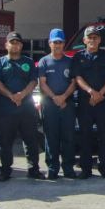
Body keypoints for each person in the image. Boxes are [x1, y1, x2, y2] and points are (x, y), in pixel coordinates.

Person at [0, 32, 38, 182]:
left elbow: (33, 81)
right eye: (12, 42)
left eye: (18, 42)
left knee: (31, 140)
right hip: (6, 109)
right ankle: (5, 171)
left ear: (21, 45)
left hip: (26, 108)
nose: (15, 45)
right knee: (5, 142)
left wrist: (22, 95)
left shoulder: (28, 62)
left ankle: (34, 170)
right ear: (6, 45)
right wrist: (11, 96)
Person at [73, 26, 105, 179]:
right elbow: (78, 77)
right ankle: (86, 169)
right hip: (85, 101)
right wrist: (91, 92)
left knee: (104, 135)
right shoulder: (78, 57)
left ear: (99, 40)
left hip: (103, 102)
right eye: (90, 37)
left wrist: (101, 93)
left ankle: (104, 168)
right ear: (84, 40)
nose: (92, 40)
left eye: (95, 37)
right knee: (85, 136)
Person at [36, 28, 77, 179]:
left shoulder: (70, 61)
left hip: (67, 104)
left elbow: (74, 82)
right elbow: (42, 83)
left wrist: (64, 97)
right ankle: (52, 168)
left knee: (68, 137)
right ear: (49, 43)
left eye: (60, 42)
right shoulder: (44, 61)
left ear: (64, 43)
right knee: (51, 138)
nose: (57, 45)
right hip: (50, 104)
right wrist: (55, 98)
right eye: (55, 42)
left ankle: (68, 168)